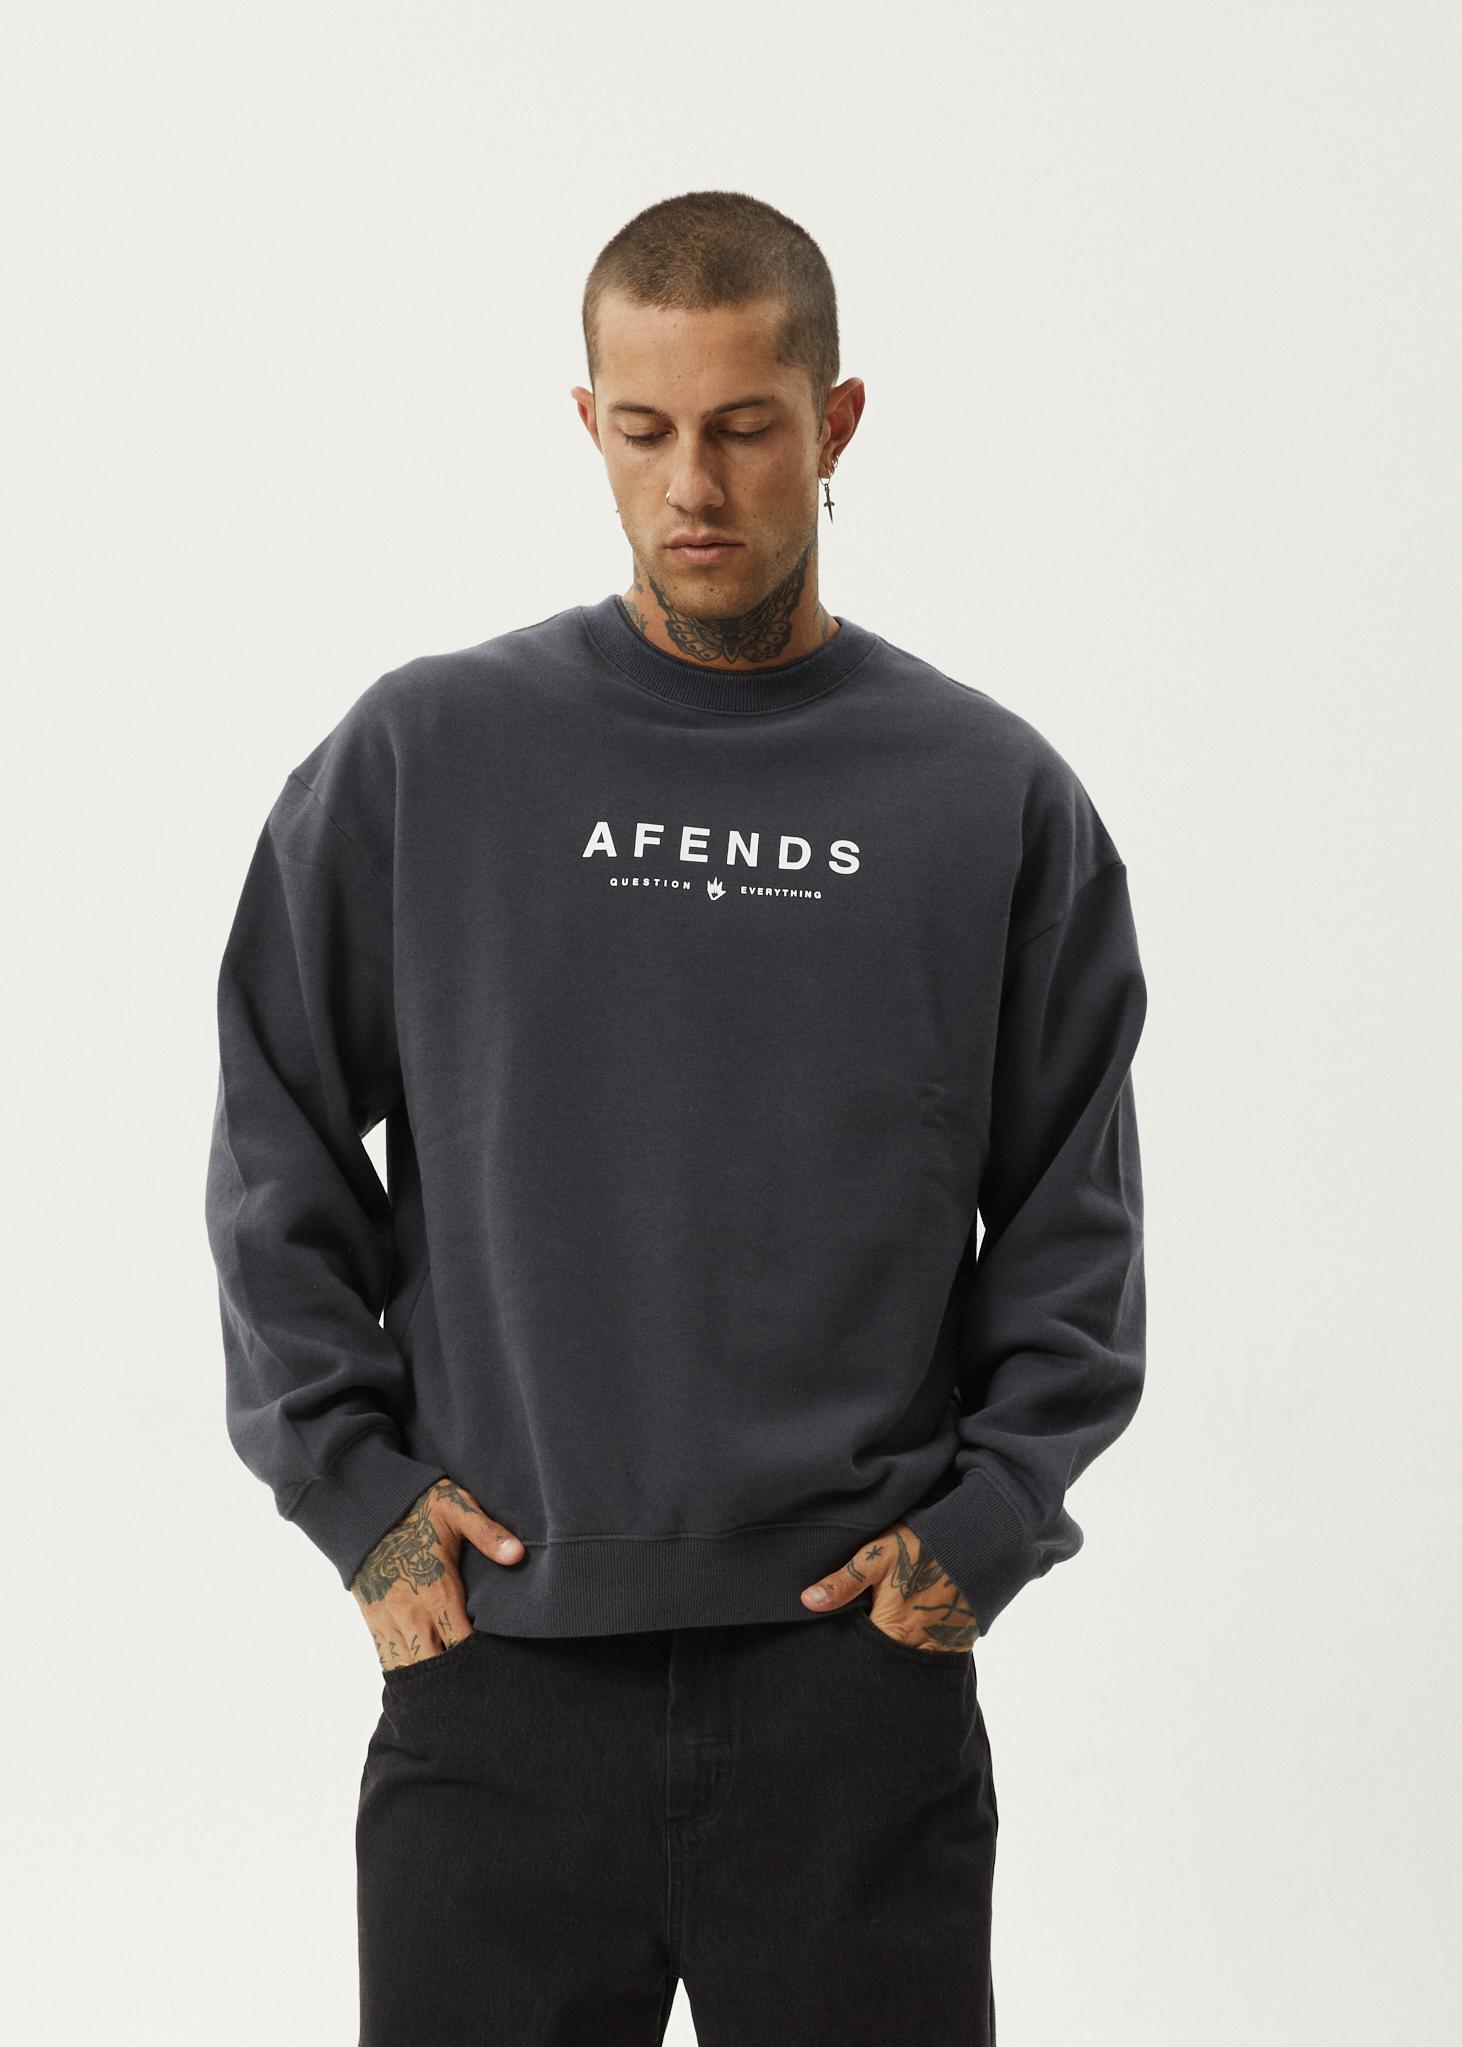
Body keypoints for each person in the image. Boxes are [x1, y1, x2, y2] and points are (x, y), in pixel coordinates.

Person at [206, 190, 1146, 2047]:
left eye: (742, 428)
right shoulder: (428, 754)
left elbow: (1072, 1215)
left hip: (851, 1682)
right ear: (589, 424)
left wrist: (987, 1522)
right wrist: (357, 1494)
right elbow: (273, 1125)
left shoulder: (985, 794)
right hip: (498, 1667)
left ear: (836, 421)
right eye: (642, 431)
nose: (691, 486)